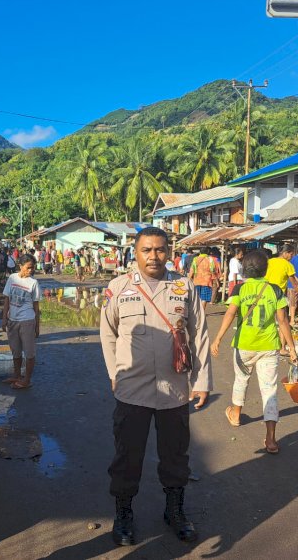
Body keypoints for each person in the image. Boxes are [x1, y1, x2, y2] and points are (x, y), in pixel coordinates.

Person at [100, 227, 212, 547]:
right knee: (127, 455)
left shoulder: (183, 286)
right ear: (135, 252)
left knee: (175, 455)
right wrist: (114, 372)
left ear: (169, 251)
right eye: (147, 250)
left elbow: (199, 334)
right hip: (131, 390)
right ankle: (123, 514)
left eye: (160, 250)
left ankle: (174, 511)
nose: (154, 256)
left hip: (174, 389)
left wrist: (202, 381)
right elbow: (108, 333)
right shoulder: (118, 287)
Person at [211, 250, 298, 454]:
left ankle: (235, 415)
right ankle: (271, 439)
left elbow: (231, 313)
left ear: (244, 269)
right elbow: (283, 321)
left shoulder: (239, 289)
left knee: (241, 380)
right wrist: (291, 348)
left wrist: (218, 339)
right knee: (269, 390)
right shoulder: (275, 290)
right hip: (269, 346)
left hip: (244, 345)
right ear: (265, 269)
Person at [2, 254, 41, 389]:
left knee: (29, 353)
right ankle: (17, 375)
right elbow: (7, 299)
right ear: (20, 266)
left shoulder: (34, 283)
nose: (30, 271)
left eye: (32, 268)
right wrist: (4, 319)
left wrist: (37, 326)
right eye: (28, 268)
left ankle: (27, 380)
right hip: (12, 321)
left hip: (27, 321)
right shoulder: (12, 278)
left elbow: (36, 306)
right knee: (16, 351)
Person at [265, 244, 298, 354]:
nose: (291, 256)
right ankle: (282, 348)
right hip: (278, 296)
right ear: (285, 253)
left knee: (266, 321)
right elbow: (295, 285)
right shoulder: (287, 265)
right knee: (283, 322)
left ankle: (266, 345)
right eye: (291, 254)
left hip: (265, 294)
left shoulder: (270, 261)